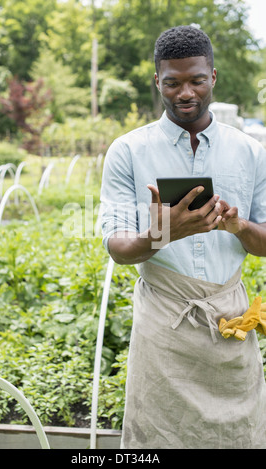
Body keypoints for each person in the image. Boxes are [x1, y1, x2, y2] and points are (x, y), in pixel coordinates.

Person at [100, 25, 266, 449]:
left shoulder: (250, 152)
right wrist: (162, 234)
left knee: (238, 435)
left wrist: (239, 226)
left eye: (195, 80)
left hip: (229, 322)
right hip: (164, 326)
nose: (184, 93)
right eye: (172, 83)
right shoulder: (128, 151)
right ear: (158, 82)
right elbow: (119, 249)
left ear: (213, 77)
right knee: (157, 439)